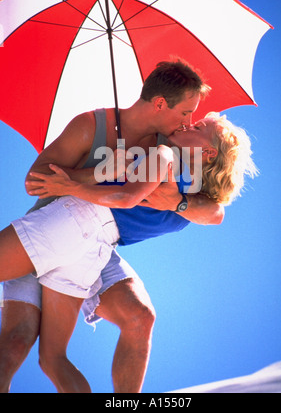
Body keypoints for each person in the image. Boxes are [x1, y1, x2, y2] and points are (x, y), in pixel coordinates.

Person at [0, 59, 223, 393]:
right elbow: (35, 182)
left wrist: (176, 202)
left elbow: (215, 211)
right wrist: (99, 172)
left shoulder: (168, 146)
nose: (187, 122)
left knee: (131, 321)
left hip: (97, 243)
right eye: (185, 113)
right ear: (161, 103)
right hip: (57, 224)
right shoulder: (92, 125)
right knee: (17, 343)